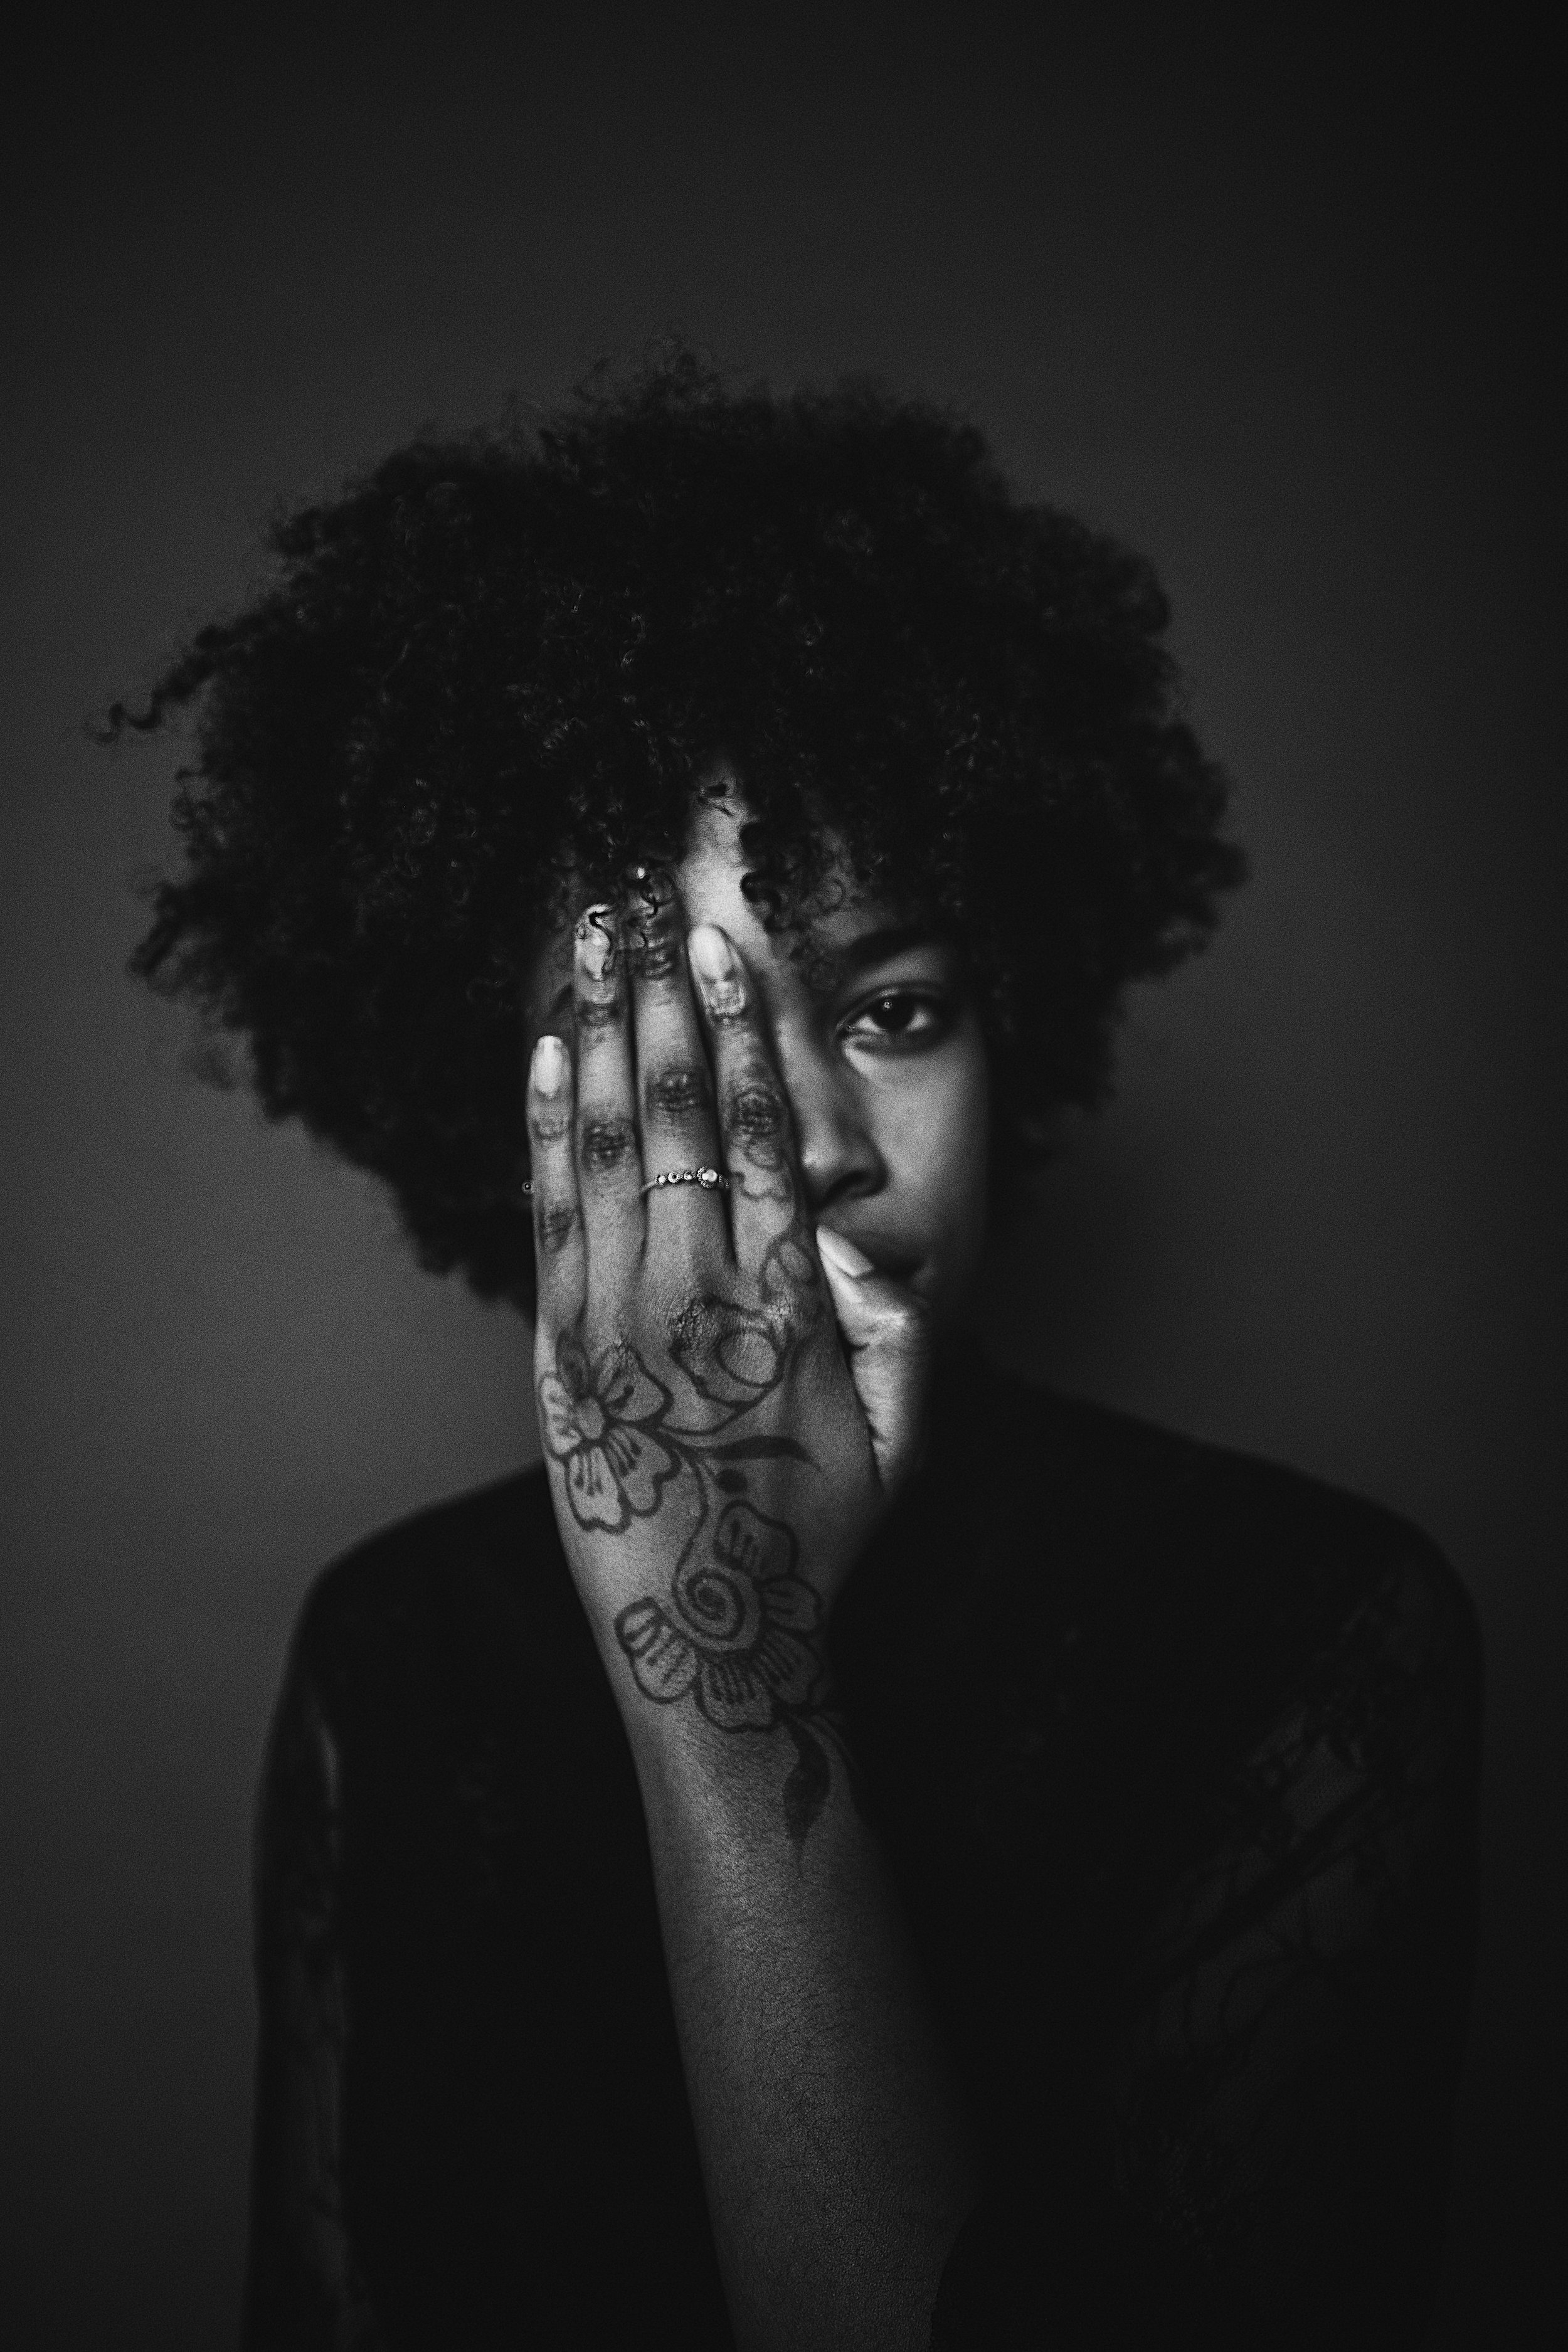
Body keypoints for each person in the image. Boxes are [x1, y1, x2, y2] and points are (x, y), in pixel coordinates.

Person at [113, 356, 1481, 2349]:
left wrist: (729, 1681)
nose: (809, 1142)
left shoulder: (1320, 1639)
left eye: (890, 1011)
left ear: (1015, 1030)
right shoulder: (390, 1656)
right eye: (683, 1046)